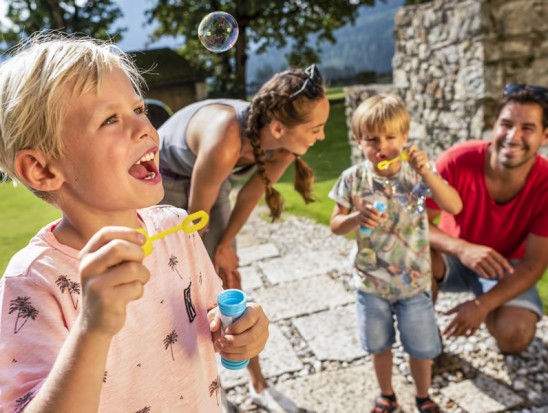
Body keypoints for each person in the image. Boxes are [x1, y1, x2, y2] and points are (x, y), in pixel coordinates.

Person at [0, 33, 269, 413]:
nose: (144, 128)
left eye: (139, 109)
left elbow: (212, 317)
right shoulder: (34, 282)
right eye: (110, 119)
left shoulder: (177, 231)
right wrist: (92, 329)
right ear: (42, 169)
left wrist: (240, 330)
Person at [158, 64, 329, 411]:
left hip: (208, 176)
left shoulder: (283, 145)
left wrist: (225, 247)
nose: (322, 136)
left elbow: (250, 195)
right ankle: (205, 390)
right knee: (186, 288)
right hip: (164, 178)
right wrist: (210, 262)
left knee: (230, 283)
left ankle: (258, 383)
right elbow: (195, 226)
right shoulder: (225, 136)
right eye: (316, 128)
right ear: (279, 128)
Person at [329, 94, 462, 413]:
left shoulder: (416, 175)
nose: (381, 146)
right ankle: (386, 394)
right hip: (371, 284)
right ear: (358, 140)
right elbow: (335, 224)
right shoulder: (353, 178)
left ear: (405, 137)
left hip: (414, 283)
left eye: (390, 137)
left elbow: (454, 206)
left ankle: (423, 396)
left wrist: (428, 172)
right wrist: (355, 218)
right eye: (372, 139)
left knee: (420, 349)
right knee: (379, 345)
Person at [427, 84, 548, 354]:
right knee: (411, 257)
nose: (513, 136)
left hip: (506, 266)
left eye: (527, 128)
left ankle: (492, 307)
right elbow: (412, 224)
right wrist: (462, 248)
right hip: (451, 257)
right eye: (506, 124)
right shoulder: (456, 160)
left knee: (515, 335)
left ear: (545, 137)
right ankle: (425, 345)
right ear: (494, 126)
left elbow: (535, 262)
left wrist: (482, 306)